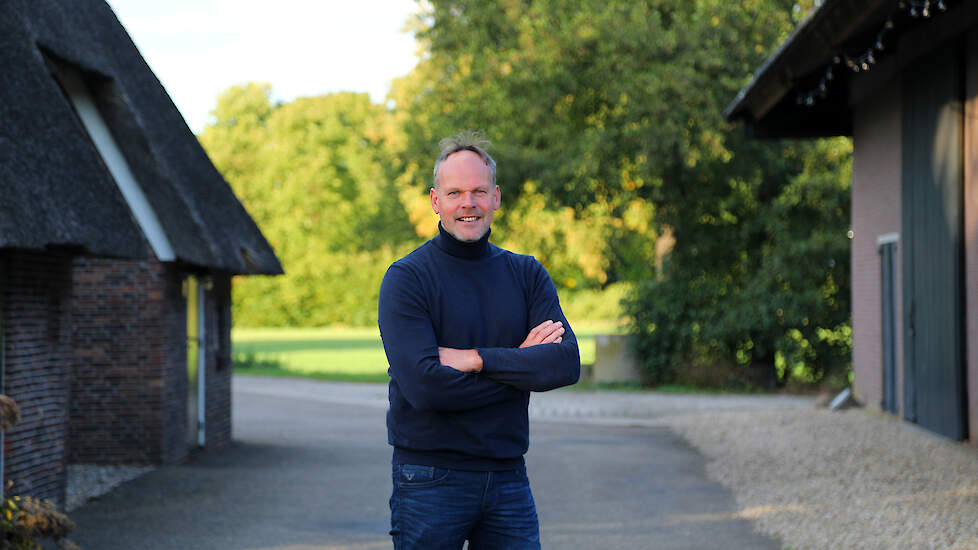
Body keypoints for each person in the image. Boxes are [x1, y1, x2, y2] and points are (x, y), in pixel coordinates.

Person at [378, 131, 581, 549]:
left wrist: (474, 360)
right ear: (436, 201)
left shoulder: (526, 274)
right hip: (429, 479)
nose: (467, 203)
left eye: (478, 191)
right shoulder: (407, 278)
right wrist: (519, 365)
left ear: (496, 198)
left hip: (508, 477)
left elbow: (564, 363)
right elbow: (425, 388)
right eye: (455, 193)